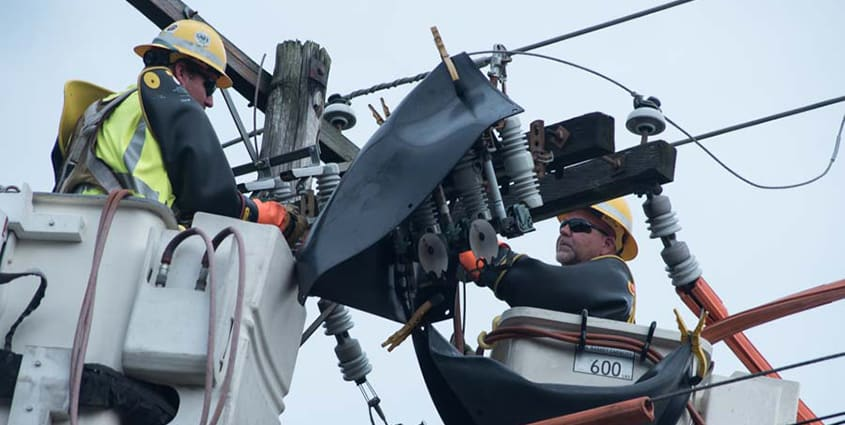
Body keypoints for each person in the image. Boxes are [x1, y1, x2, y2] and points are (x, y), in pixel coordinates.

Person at [51, 19, 304, 244]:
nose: (210, 101)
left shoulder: (103, 110)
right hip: (125, 240)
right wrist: (273, 216)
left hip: (73, 236)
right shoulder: (165, 96)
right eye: (210, 87)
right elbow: (215, 198)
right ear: (181, 72)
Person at [460, 197, 638, 322]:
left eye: (577, 226)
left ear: (607, 245)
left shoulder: (615, 279)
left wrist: (496, 261)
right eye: (563, 224)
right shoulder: (567, 303)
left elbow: (542, 285)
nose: (564, 231)